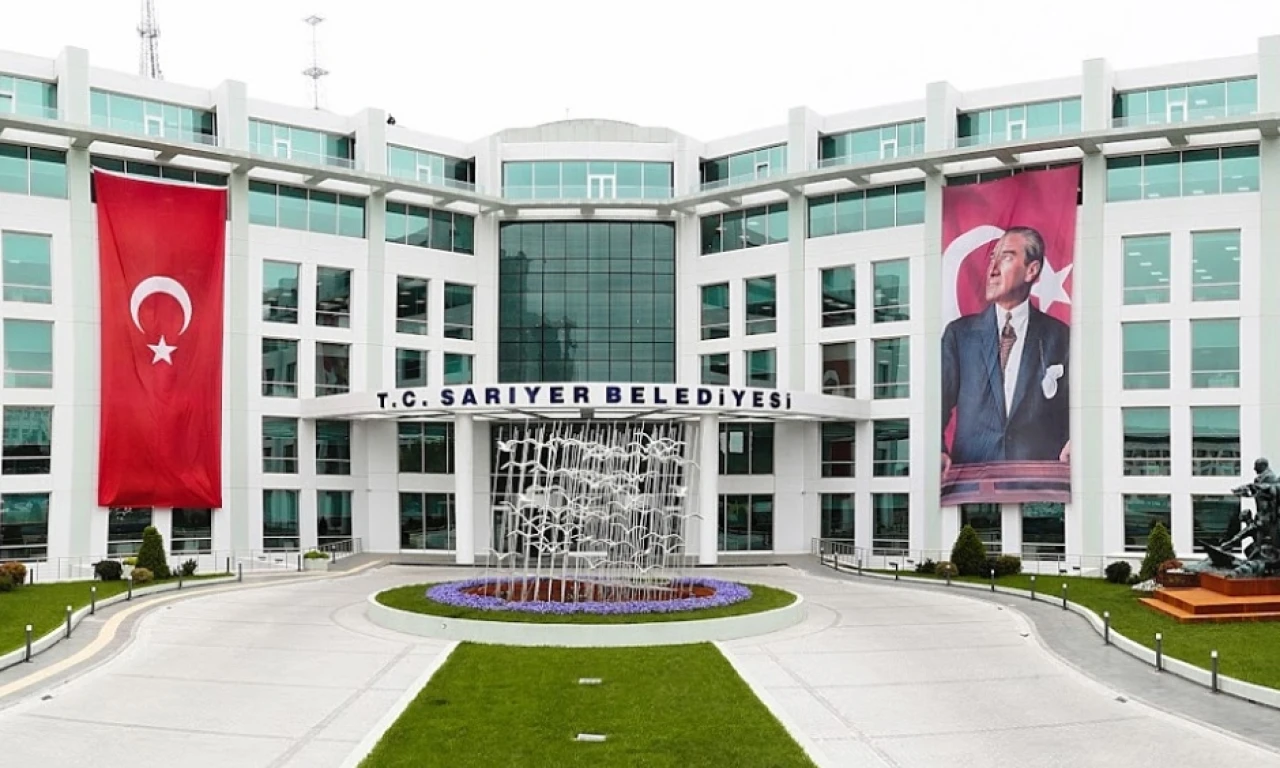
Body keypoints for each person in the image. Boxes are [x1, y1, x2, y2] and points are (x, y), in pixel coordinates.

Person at [941, 226, 1070, 473]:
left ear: (1031, 270)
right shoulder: (960, 335)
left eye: (1006, 257)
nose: (993, 269)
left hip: (1038, 478)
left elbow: (1076, 405)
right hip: (972, 476)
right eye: (992, 258)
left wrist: (1075, 440)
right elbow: (937, 402)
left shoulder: (1059, 336)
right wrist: (937, 449)